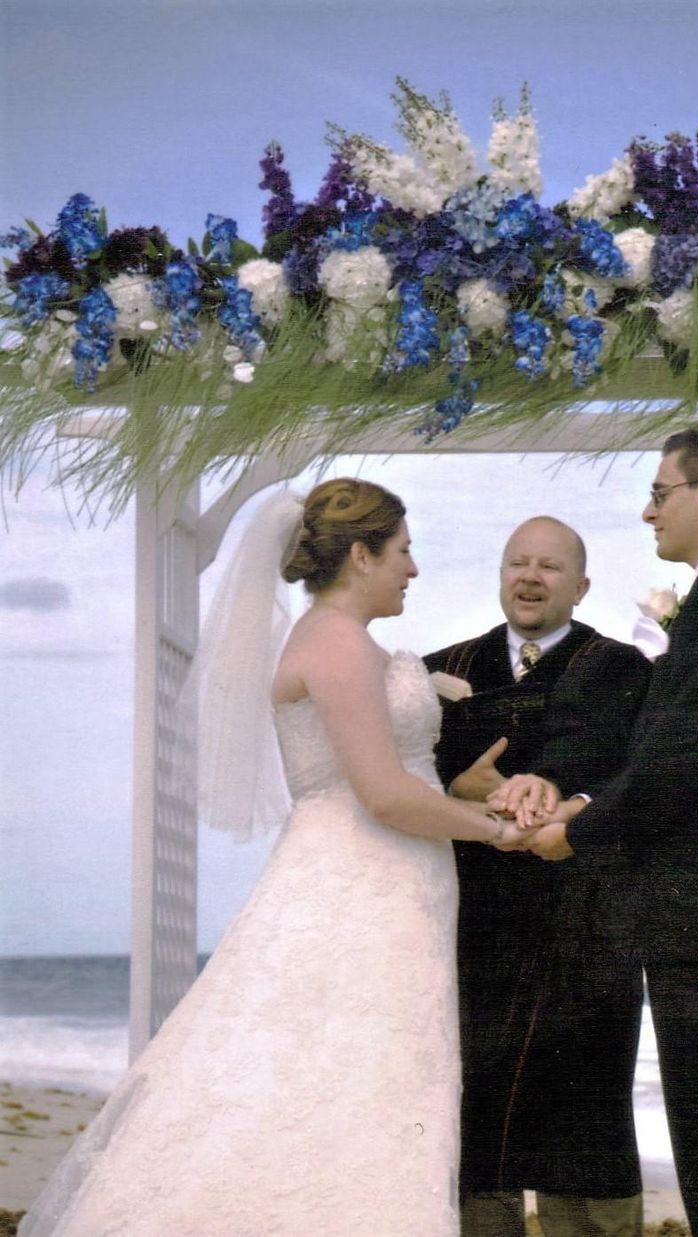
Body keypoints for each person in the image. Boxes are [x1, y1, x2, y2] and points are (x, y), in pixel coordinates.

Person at [19, 479, 519, 1237]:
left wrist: (470, 795)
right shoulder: (336, 642)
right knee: (348, 1079)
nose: (412, 569)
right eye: (403, 551)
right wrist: (501, 831)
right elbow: (382, 794)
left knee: (353, 1075)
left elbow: (395, 773)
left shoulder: (344, 640)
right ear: (360, 554)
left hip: (389, 885)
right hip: (361, 887)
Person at [496, 422, 698, 1236]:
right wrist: (583, 804)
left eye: (659, 491)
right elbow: (677, 753)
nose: (649, 512)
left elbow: (685, 761)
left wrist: (576, 830)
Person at [423, 516, 651, 1237]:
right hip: (475, 926)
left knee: (584, 1117)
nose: (529, 576)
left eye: (549, 567)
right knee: (476, 1110)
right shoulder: (445, 666)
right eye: (517, 562)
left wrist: (553, 786)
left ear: (581, 587)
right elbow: (396, 777)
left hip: (587, 925)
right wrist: (457, 785)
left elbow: (634, 774)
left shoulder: (626, 668)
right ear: (499, 575)